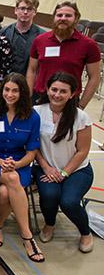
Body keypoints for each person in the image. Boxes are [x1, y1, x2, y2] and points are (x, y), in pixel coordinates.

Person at [0, 74, 43, 261]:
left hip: (20, 163)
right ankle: (27, 236)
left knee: (6, 192)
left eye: (15, 90)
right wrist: (1, 162)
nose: (10, 94)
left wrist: (16, 164)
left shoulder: (32, 117)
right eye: (7, 89)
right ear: (1, 91)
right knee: (12, 179)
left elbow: (32, 152)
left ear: (22, 92)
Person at [34, 72, 94, 253]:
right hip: (46, 168)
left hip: (77, 171)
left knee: (69, 202)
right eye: (54, 89)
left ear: (72, 94)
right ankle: (49, 224)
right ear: (47, 89)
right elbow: (32, 146)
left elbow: (82, 151)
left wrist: (64, 173)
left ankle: (85, 232)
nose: (57, 95)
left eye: (63, 91)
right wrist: (46, 167)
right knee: (49, 196)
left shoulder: (80, 117)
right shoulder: (36, 112)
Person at [26, 1, 101, 108]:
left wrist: (81, 106)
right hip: (40, 98)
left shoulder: (89, 45)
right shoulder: (40, 40)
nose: (63, 18)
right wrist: (28, 97)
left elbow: (94, 77)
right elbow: (32, 70)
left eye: (68, 15)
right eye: (59, 15)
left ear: (76, 19)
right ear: (54, 17)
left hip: (69, 100)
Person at [2, 0, 45, 76]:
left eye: (29, 9)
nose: (25, 12)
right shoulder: (4, 32)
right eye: (22, 8)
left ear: (35, 12)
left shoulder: (42, 36)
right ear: (16, 10)